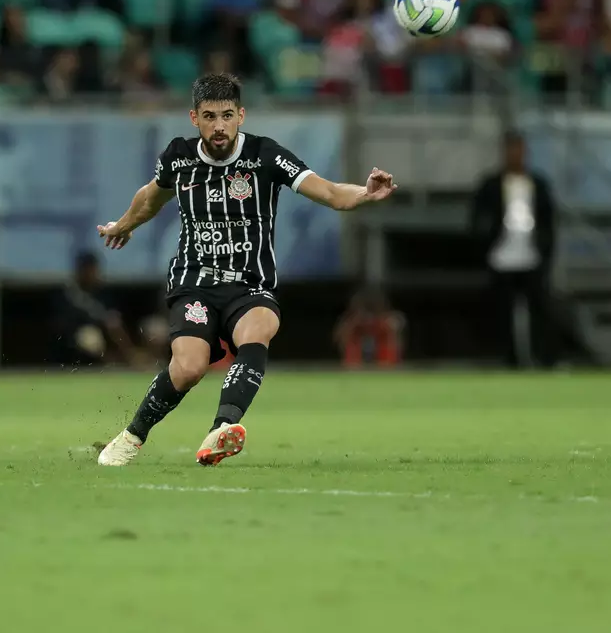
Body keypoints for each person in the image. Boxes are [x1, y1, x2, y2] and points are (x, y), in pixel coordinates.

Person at [95, 73, 396, 467]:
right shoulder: (179, 156)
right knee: (188, 368)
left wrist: (365, 193)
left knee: (260, 329)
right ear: (194, 118)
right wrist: (124, 224)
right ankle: (131, 437)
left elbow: (328, 192)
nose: (218, 126)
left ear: (241, 115)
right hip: (194, 284)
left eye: (226, 116)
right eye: (208, 116)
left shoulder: (266, 155)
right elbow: (152, 196)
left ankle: (222, 429)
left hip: (249, 286)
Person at [471, 131, 557, 368]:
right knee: (502, 313)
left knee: (539, 310)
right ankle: (510, 360)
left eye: (519, 149)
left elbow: (549, 220)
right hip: (501, 256)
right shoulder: (491, 184)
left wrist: (546, 249)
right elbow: (477, 218)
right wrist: (486, 244)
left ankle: (544, 358)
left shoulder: (537, 184)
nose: (515, 154)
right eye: (510, 149)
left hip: (531, 255)